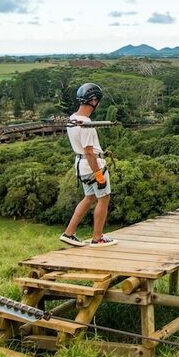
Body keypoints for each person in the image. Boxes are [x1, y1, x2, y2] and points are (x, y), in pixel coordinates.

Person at [59, 83, 117, 248]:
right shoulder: (86, 124)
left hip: (80, 165)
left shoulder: (72, 118)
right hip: (92, 165)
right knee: (103, 199)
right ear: (93, 100)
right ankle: (97, 237)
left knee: (89, 197)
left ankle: (69, 233)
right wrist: (99, 174)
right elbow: (89, 152)